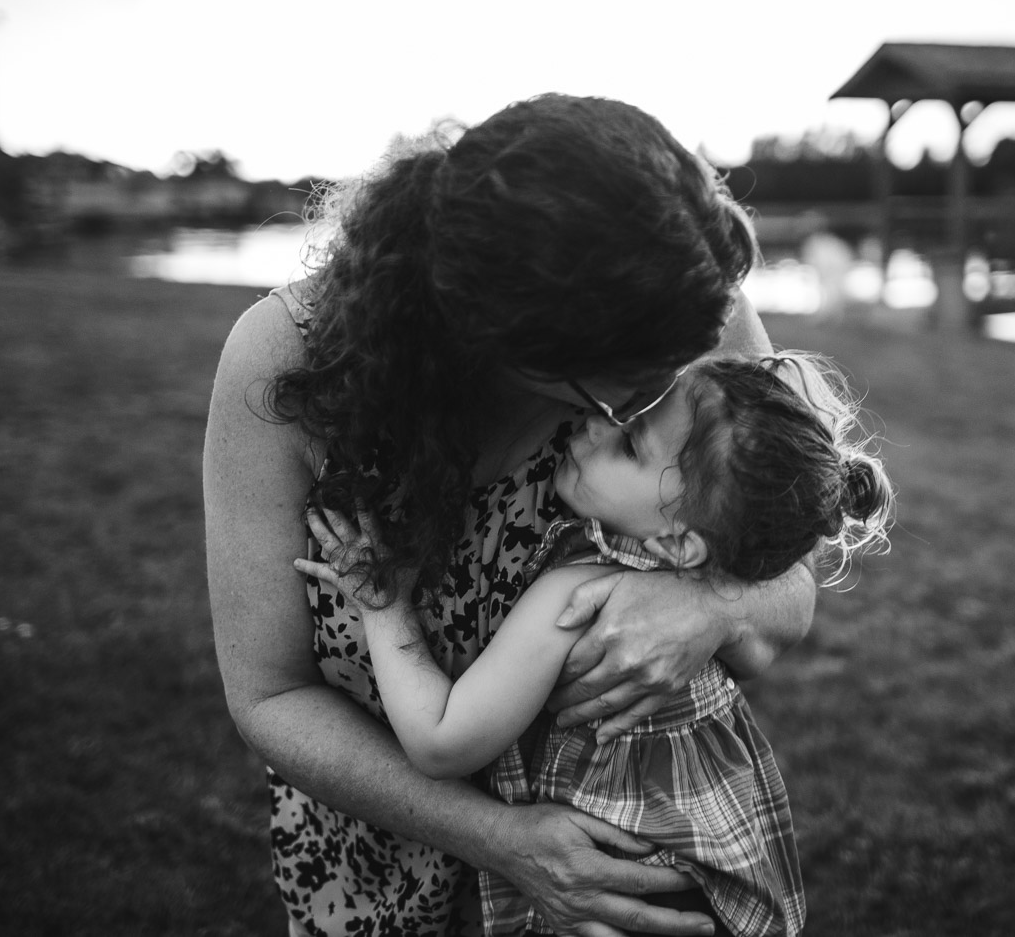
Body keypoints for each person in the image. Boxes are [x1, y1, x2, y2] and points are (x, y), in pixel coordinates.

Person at [203, 93, 818, 937]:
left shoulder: (683, 298)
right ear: (505, 345)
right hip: (383, 848)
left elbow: (786, 579)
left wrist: (711, 599)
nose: (664, 394)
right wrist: (503, 840)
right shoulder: (283, 361)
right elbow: (268, 696)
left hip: (628, 828)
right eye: (635, 392)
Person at [295, 352, 893, 937]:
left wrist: (383, 606)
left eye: (631, 444)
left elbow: (441, 741)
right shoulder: (721, 555)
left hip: (628, 879)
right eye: (639, 405)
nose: (604, 420)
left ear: (680, 544)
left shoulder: (576, 595)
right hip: (710, 851)